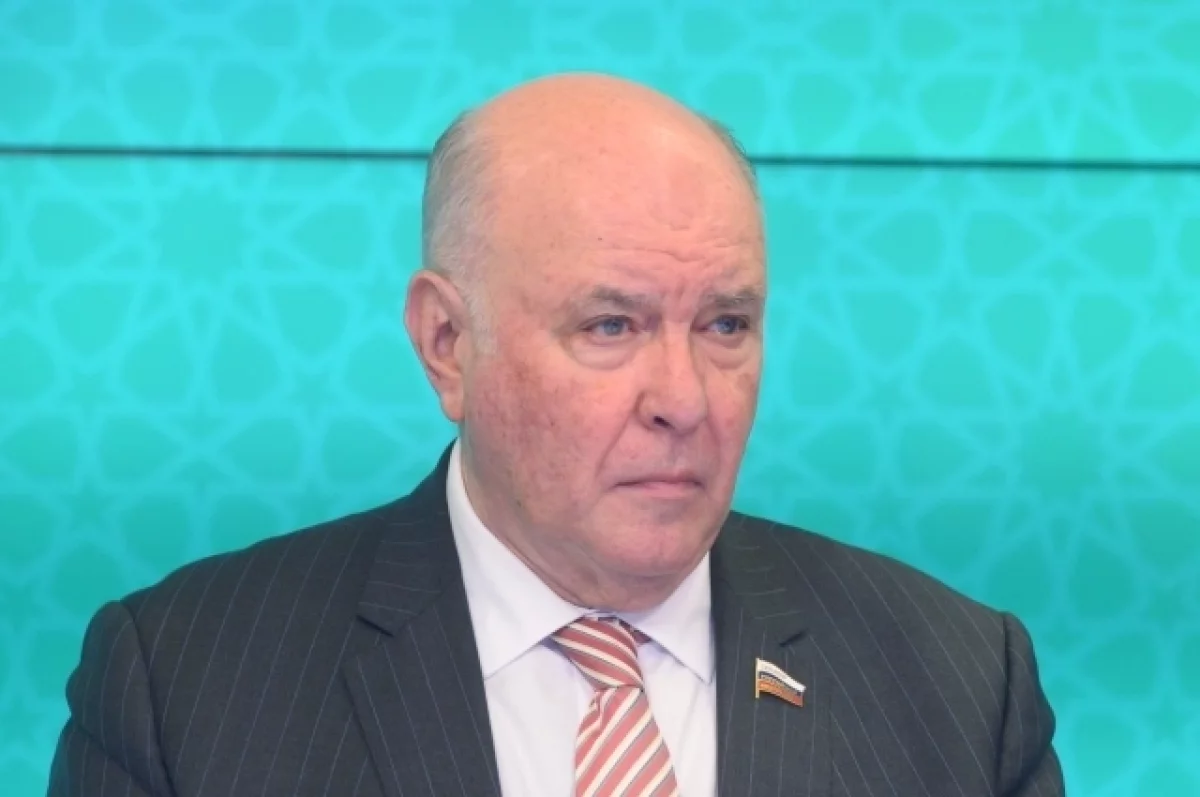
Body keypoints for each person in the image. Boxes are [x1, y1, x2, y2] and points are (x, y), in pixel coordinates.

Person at [48, 73, 1064, 797]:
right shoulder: (186, 685)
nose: (685, 398)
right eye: (610, 326)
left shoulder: (959, 683)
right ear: (448, 344)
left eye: (725, 325)